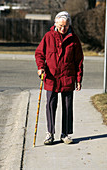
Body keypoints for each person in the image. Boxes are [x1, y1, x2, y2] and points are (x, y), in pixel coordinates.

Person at [35, 11, 83, 145]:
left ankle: (65, 134)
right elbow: (39, 53)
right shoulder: (48, 36)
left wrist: (78, 79)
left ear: (69, 25)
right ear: (55, 24)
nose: (63, 29)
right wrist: (40, 67)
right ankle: (49, 134)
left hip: (67, 77)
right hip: (51, 77)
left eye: (66, 26)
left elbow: (79, 61)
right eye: (60, 26)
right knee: (50, 105)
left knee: (67, 106)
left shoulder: (74, 39)